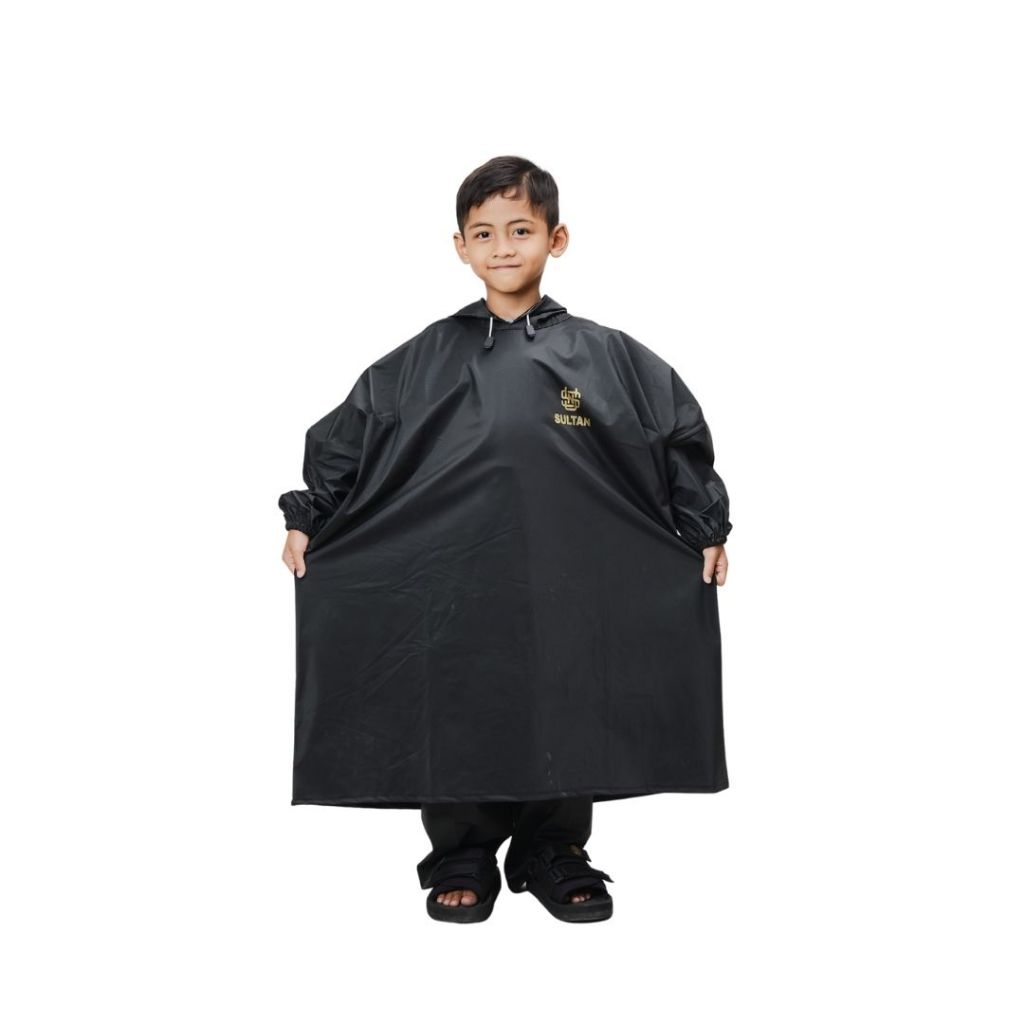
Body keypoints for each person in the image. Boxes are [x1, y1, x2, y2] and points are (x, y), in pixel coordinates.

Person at [278, 155, 733, 924]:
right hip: (453, 567)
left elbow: (671, 434)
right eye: (483, 233)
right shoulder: (424, 359)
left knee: (569, 688)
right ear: (460, 246)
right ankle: (462, 849)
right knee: (458, 689)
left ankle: (553, 847)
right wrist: (308, 515)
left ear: (556, 239)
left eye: (520, 230)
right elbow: (349, 438)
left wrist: (703, 524)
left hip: (571, 566)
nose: (502, 247)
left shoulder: (606, 356)